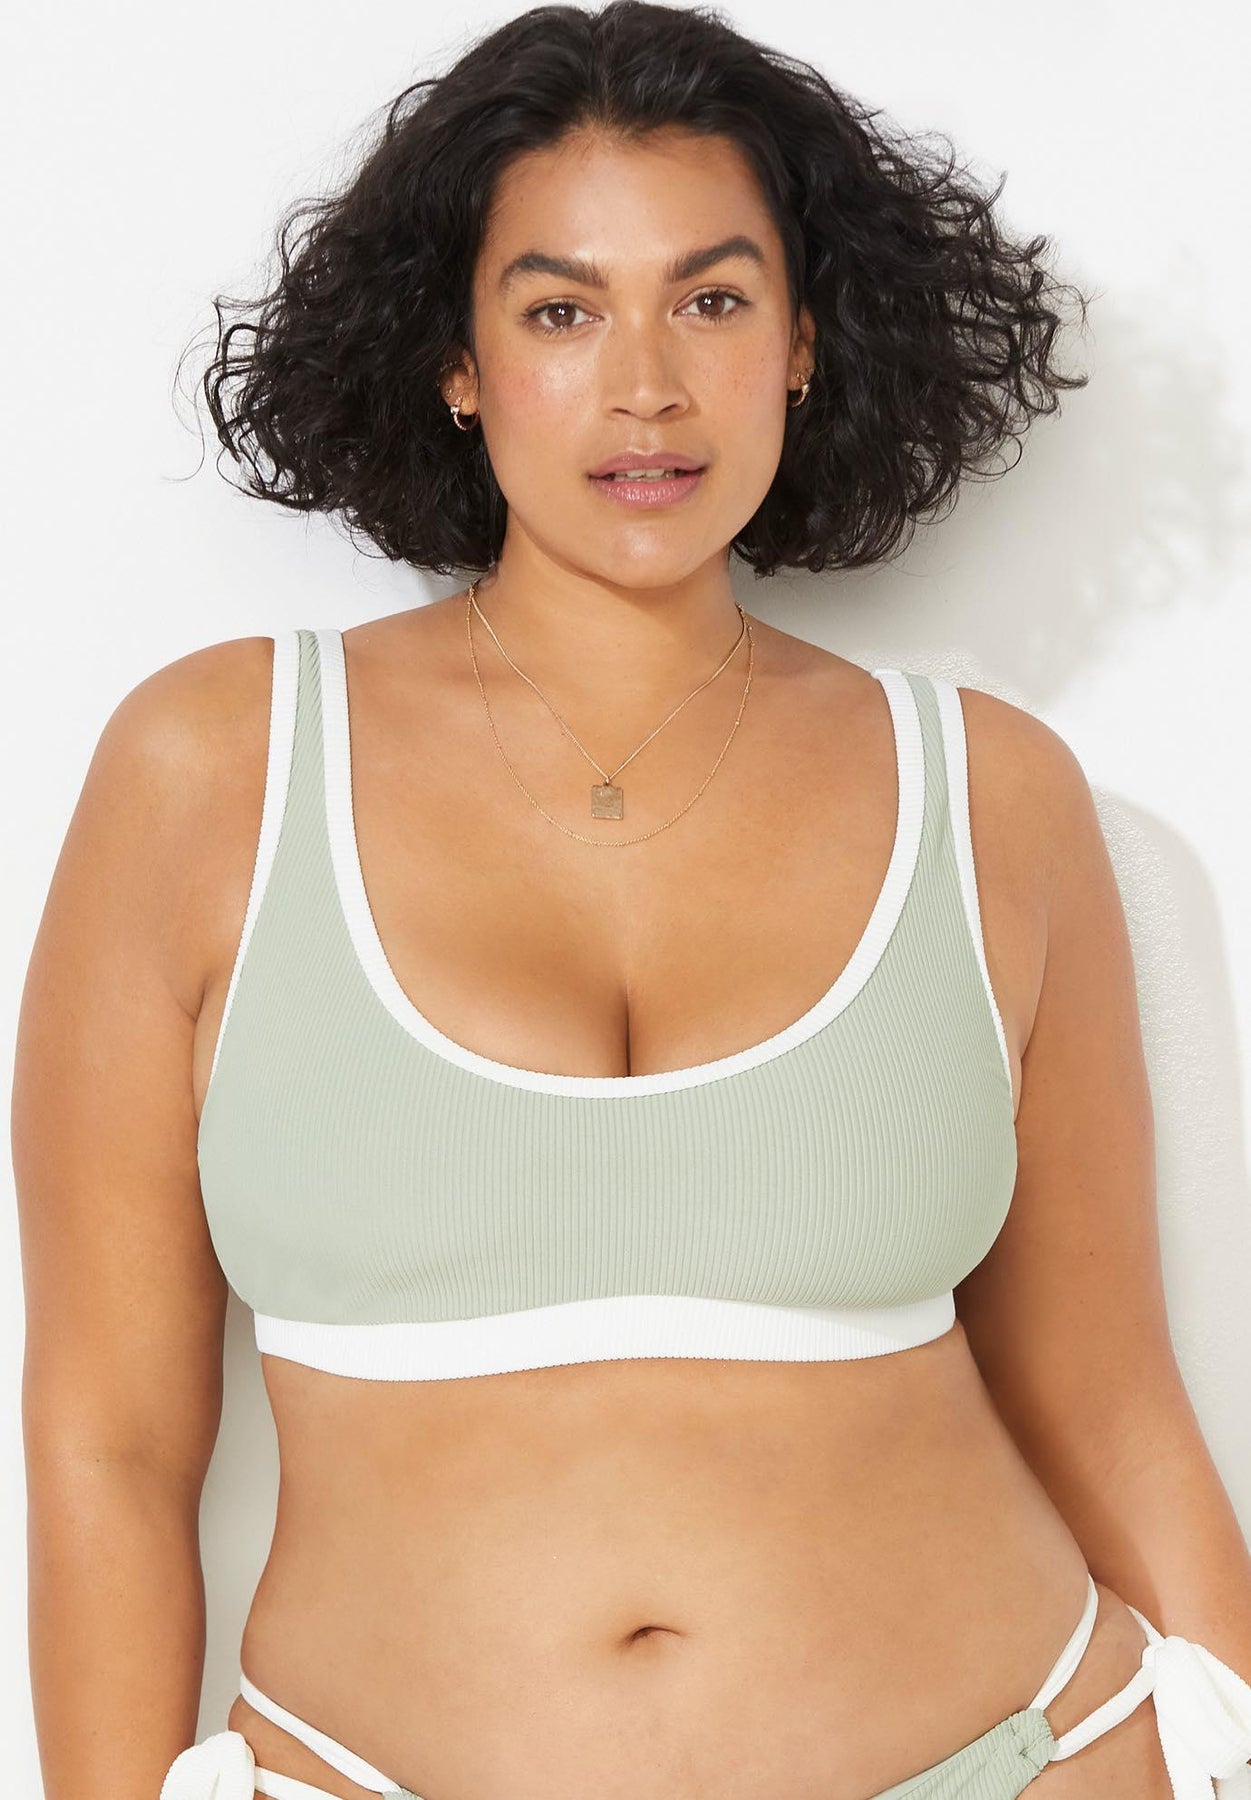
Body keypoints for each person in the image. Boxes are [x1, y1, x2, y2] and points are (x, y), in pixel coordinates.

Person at [13, 3, 1251, 1797]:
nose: (648, 387)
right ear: (456, 360)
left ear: (805, 343)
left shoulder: (991, 795)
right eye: (562, 311)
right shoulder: (212, 772)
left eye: (715, 299)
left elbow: (1113, 1397)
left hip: (1026, 1754)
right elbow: (106, 1443)